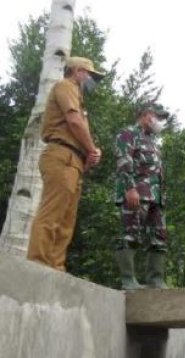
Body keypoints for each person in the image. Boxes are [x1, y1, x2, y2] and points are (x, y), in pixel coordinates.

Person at [28, 56, 104, 271]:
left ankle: (55, 268)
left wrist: (89, 153)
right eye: (90, 74)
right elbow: (73, 121)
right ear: (78, 70)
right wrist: (91, 149)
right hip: (61, 155)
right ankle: (37, 264)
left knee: (65, 222)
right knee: (52, 214)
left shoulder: (78, 96)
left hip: (73, 160)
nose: (92, 80)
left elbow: (78, 127)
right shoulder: (65, 86)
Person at [113, 103, 170, 289]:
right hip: (136, 193)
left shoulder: (152, 140)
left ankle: (156, 280)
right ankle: (128, 280)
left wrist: (162, 197)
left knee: (159, 237)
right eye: (158, 117)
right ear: (146, 115)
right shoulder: (128, 133)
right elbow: (123, 161)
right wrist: (130, 188)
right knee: (131, 234)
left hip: (156, 197)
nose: (160, 122)